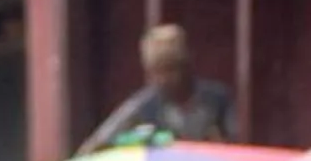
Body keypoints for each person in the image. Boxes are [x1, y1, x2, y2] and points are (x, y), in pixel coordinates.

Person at [82, 24, 237, 152]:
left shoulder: (216, 99)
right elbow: (97, 144)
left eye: (173, 68)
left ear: (188, 64)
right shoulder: (144, 106)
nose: (168, 79)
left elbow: (237, 144)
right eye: (159, 72)